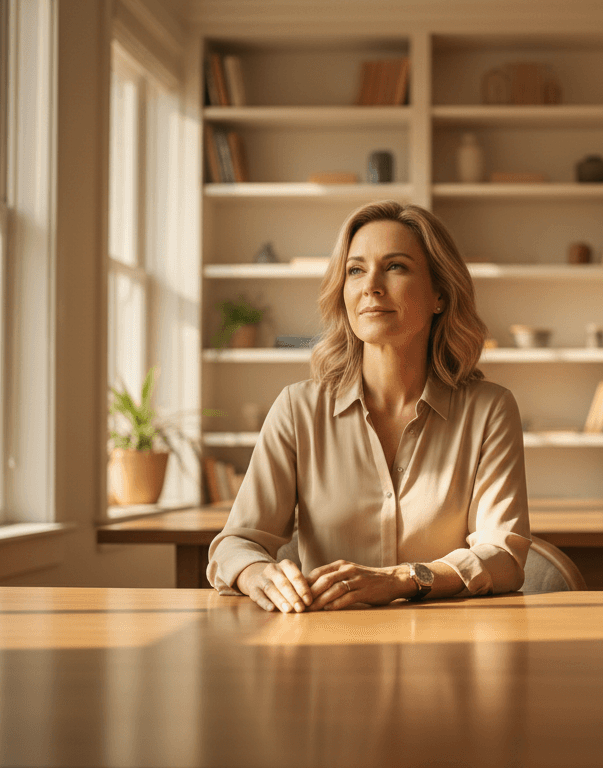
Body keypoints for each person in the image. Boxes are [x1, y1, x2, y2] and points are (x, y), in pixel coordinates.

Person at [206, 201, 531, 612]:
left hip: (445, 649)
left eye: (395, 267)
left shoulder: (490, 410)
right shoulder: (297, 409)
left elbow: (503, 555)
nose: (370, 286)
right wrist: (259, 575)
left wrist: (403, 579)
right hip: (323, 647)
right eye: (355, 270)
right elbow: (235, 543)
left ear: (439, 296)